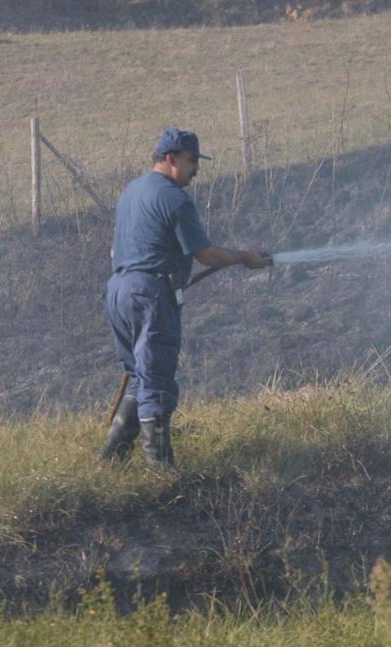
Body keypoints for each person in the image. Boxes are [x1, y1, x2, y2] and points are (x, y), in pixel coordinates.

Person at [100, 128, 272, 467]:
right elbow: (205, 255)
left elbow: (114, 250)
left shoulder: (130, 192)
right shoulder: (173, 198)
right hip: (150, 293)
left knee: (139, 375)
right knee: (157, 377)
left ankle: (110, 461)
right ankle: (161, 470)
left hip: (118, 290)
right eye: (192, 160)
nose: (196, 168)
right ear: (171, 158)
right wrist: (245, 257)